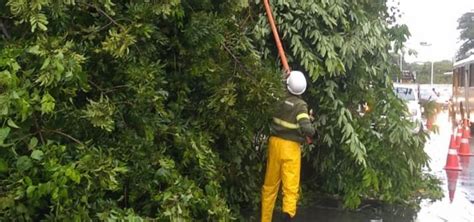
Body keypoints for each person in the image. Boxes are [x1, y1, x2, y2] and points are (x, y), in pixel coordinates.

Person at [261, 71, 315, 222]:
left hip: (274, 144)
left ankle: (265, 219)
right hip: (291, 148)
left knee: (269, 186)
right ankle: (287, 219)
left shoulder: (278, 99)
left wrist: (284, 78)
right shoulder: (300, 106)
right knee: (290, 189)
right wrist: (312, 127)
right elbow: (307, 129)